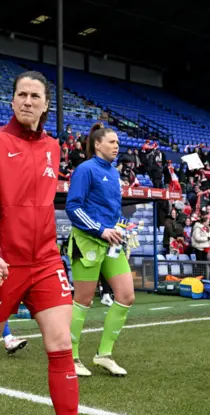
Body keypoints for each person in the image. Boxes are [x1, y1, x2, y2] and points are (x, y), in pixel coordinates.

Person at [0, 71, 113, 415]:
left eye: (36, 96)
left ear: (46, 105)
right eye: (21, 95)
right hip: (3, 262)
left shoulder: (53, 147)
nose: (28, 101)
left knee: (61, 344)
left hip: (44, 261)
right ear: (12, 101)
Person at [66, 123, 135, 379]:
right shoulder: (85, 170)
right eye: (112, 142)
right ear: (97, 144)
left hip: (111, 243)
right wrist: (100, 230)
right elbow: (73, 207)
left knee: (126, 296)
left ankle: (103, 355)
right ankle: (70, 357)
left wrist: (119, 230)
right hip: (88, 242)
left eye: (118, 142)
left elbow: (114, 210)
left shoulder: (114, 173)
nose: (117, 146)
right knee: (83, 300)